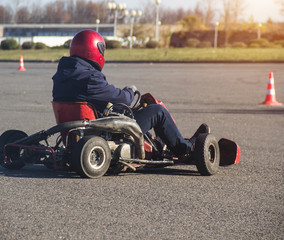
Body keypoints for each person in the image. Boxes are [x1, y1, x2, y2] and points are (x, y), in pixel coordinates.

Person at [52, 30, 209, 159]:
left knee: (127, 113)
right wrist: (130, 90)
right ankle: (186, 149)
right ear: (94, 50)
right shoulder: (89, 78)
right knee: (158, 111)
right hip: (102, 134)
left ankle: (157, 145)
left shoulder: (61, 77)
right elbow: (123, 99)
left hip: (77, 133)